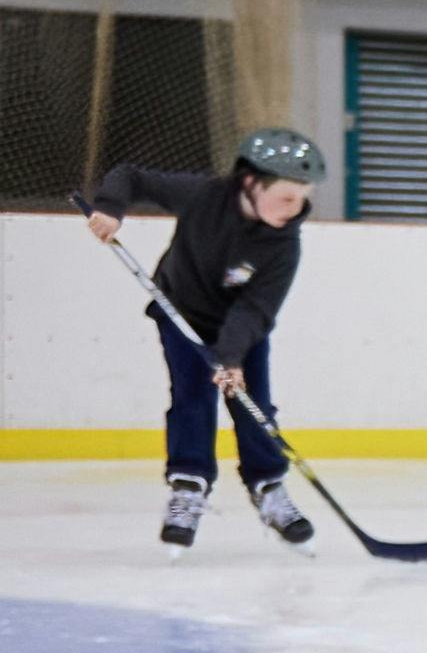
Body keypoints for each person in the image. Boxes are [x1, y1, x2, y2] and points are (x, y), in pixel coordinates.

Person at [84, 127, 327, 551]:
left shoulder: (284, 244)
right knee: (193, 399)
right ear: (252, 184)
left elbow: (253, 310)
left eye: (302, 197)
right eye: (287, 197)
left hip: (242, 327)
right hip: (182, 315)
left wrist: (231, 358)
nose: (297, 207)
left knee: (253, 404)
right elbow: (131, 177)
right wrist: (109, 208)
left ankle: (269, 488)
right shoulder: (203, 196)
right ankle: (189, 486)